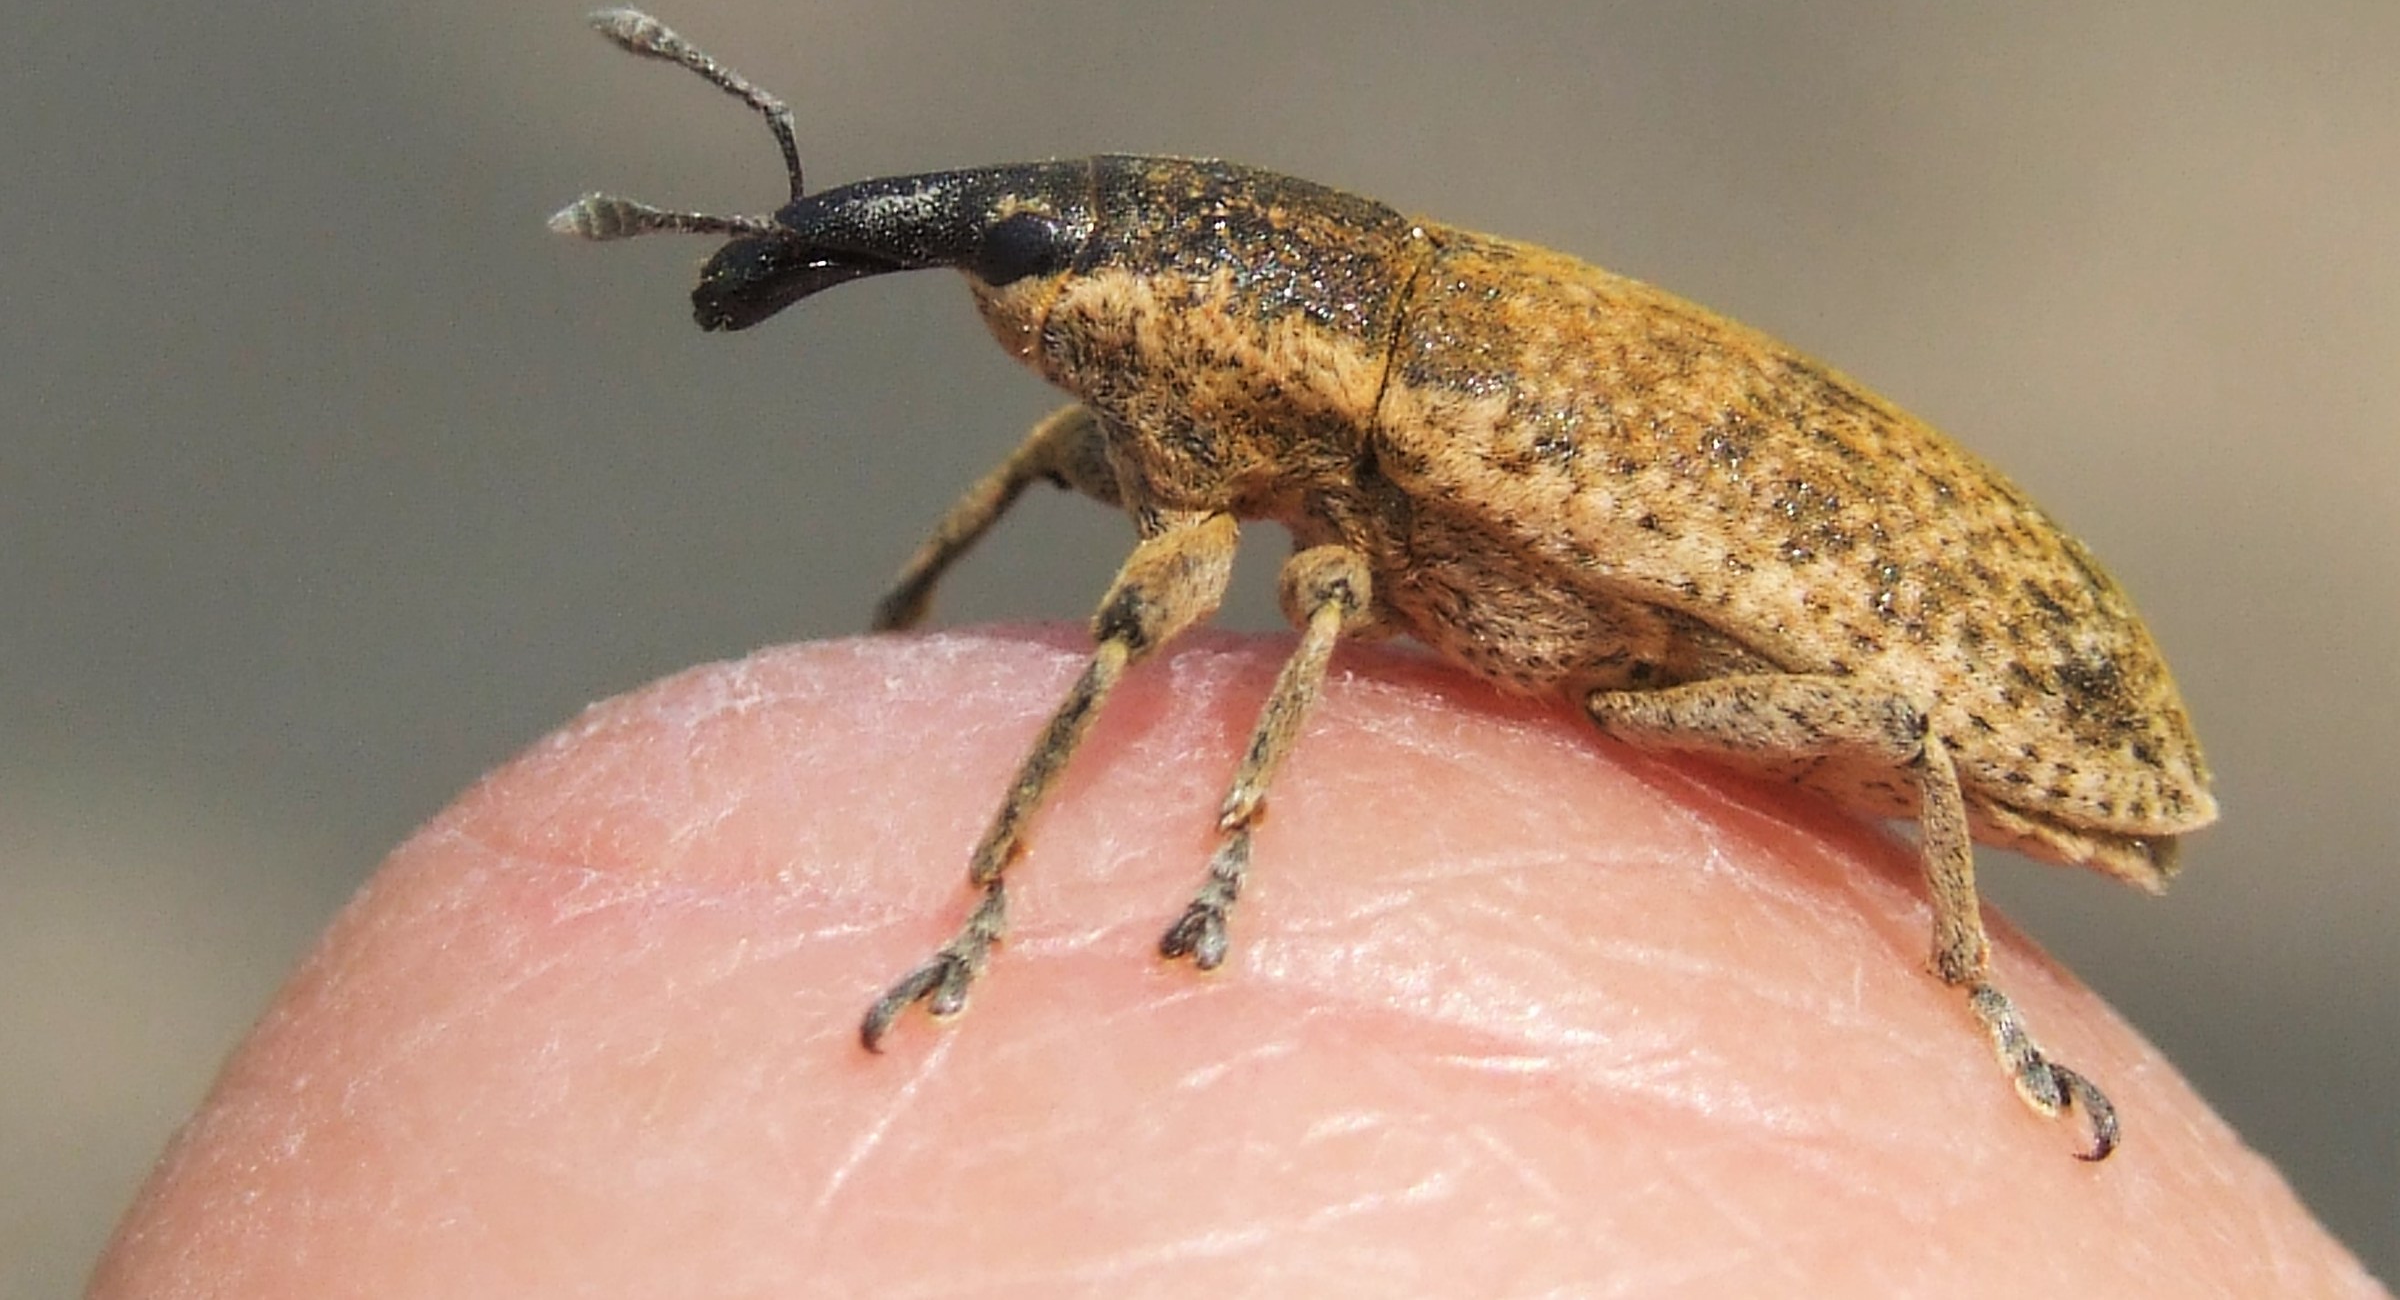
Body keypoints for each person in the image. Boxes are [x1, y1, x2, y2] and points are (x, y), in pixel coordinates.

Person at [91, 629, 2378, 1295]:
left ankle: (1965, 990)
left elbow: (1286, 609)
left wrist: (1213, 856)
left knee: (1885, 725)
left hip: (1968, 668)